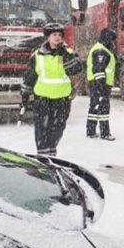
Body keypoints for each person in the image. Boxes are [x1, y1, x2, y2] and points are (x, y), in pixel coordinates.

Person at [21, 22, 82, 157]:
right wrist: (25, 92)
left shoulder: (69, 53)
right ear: (48, 37)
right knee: (42, 131)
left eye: (60, 35)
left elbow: (75, 70)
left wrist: (65, 54)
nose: (57, 38)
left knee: (58, 130)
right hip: (42, 100)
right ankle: (44, 158)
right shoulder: (37, 55)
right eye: (54, 35)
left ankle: (51, 153)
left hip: (62, 100)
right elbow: (30, 75)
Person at [86, 28, 117, 141]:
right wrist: (101, 84)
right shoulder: (100, 51)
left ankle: (91, 131)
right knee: (103, 108)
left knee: (95, 107)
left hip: (96, 83)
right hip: (100, 83)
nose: (112, 42)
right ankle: (104, 133)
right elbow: (99, 68)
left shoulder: (101, 48)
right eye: (111, 39)